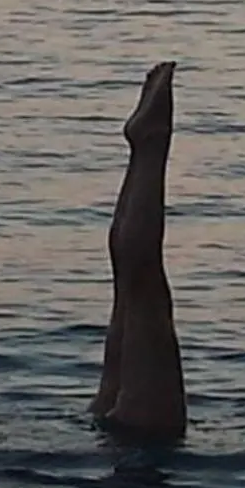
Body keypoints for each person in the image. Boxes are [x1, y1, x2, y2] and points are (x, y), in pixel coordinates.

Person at [92, 61, 187, 440]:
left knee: (137, 287)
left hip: (130, 446)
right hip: (136, 445)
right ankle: (148, 150)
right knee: (137, 284)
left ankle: (147, 151)